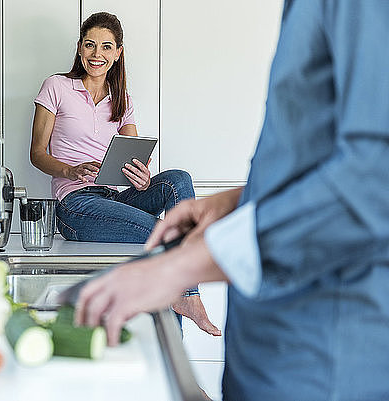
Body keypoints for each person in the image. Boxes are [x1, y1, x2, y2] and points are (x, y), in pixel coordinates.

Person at [75, 1, 389, 400]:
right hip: (272, 346)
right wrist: (234, 202)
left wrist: (178, 268)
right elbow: (321, 158)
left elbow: (373, 183)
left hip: (322, 355)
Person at [30, 12, 220, 336]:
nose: (97, 54)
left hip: (114, 197)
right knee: (164, 235)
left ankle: (185, 297)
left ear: (117, 53)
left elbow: (134, 153)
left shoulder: (122, 99)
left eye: (106, 47)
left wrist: (141, 176)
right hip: (76, 205)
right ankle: (187, 297)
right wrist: (69, 169)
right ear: (79, 48)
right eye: (90, 45)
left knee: (178, 180)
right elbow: (36, 153)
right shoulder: (57, 86)